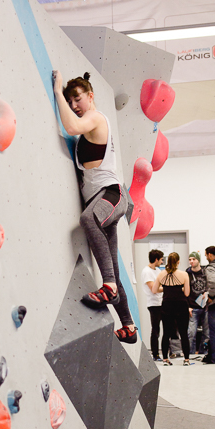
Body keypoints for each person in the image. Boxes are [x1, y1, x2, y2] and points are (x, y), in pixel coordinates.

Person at [53, 69, 137, 343]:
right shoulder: (89, 126)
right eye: (70, 100)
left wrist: (57, 92)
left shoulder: (95, 118)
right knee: (109, 264)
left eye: (77, 99)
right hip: (101, 199)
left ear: (90, 96)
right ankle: (128, 327)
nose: (75, 105)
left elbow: (71, 127)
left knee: (88, 220)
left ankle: (109, 287)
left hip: (111, 195)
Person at [152, 252, 191, 366]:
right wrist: (180, 289)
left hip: (167, 306)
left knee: (166, 333)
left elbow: (154, 290)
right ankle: (187, 360)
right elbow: (187, 293)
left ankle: (165, 359)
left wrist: (167, 289)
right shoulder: (184, 274)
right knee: (183, 333)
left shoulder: (161, 274)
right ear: (178, 262)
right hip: (181, 306)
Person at [141, 249, 164, 361]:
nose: (162, 261)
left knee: (168, 328)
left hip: (162, 302)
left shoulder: (158, 270)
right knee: (155, 329)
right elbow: (153, 289)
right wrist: (167, 289)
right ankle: (155, 354)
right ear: (156, 259)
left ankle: (167, 352)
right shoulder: (146, 272)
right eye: (161, 259)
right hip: (154, 304)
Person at [186, 252, 209, 355]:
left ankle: (203, 352)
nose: (191, 261)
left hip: (205, 306)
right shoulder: (187, 274)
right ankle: (190, 353)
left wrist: (207, 292)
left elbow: (210, 285)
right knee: (191, 333)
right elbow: (184, 292)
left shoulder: (205, 272)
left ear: (198, 260)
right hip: (192, 307)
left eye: (193, 259)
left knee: (207, 333)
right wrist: (188, 306)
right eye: (190, 259)